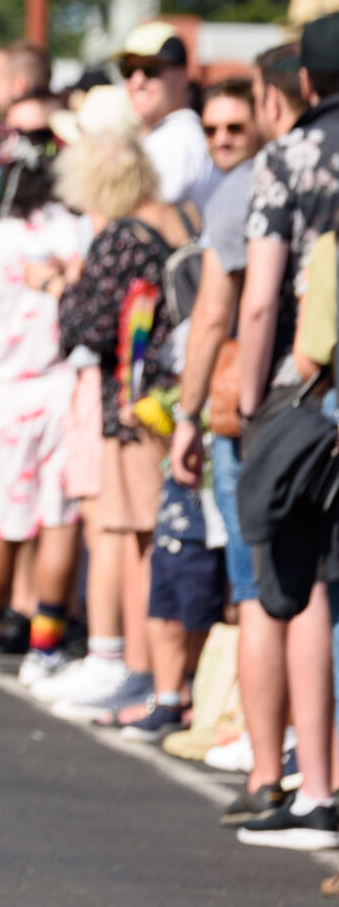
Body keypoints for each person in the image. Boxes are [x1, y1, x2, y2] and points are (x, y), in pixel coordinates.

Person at [40, 93, 197, 727]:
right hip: (171, 399)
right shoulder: (181, 217)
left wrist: (56, 284)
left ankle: (139, 669)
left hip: (129, 407)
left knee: (132, 541)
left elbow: (87, 326)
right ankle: (153, 673)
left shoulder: (120, 235)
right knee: (157, 539)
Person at [227, 16, 339, 851]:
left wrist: (248, 391)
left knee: (296, 580)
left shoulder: (292, 158)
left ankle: (303, 782)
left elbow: (262, 294)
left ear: (305, 84)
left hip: (313, 390)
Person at [174, 57, 294, 821]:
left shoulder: (253, 186)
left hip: (260, 408)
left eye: (235, 125)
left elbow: (220, 311)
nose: (223, 140)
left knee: (258, 590)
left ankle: (264, 762)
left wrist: (189, 412)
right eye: (212, 128)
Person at [0, 101, 89, 683]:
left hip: (8, 392)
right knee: (59, 522)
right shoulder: (74, 232)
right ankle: (45, 647)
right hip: (64, 388)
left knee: (4, 520)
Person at [119, 20, 218, 210]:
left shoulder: (175, 140)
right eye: (128, 70)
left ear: (181, 76)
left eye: (151, 70)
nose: (137, 81)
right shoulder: (169, 134)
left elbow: (147, 221)